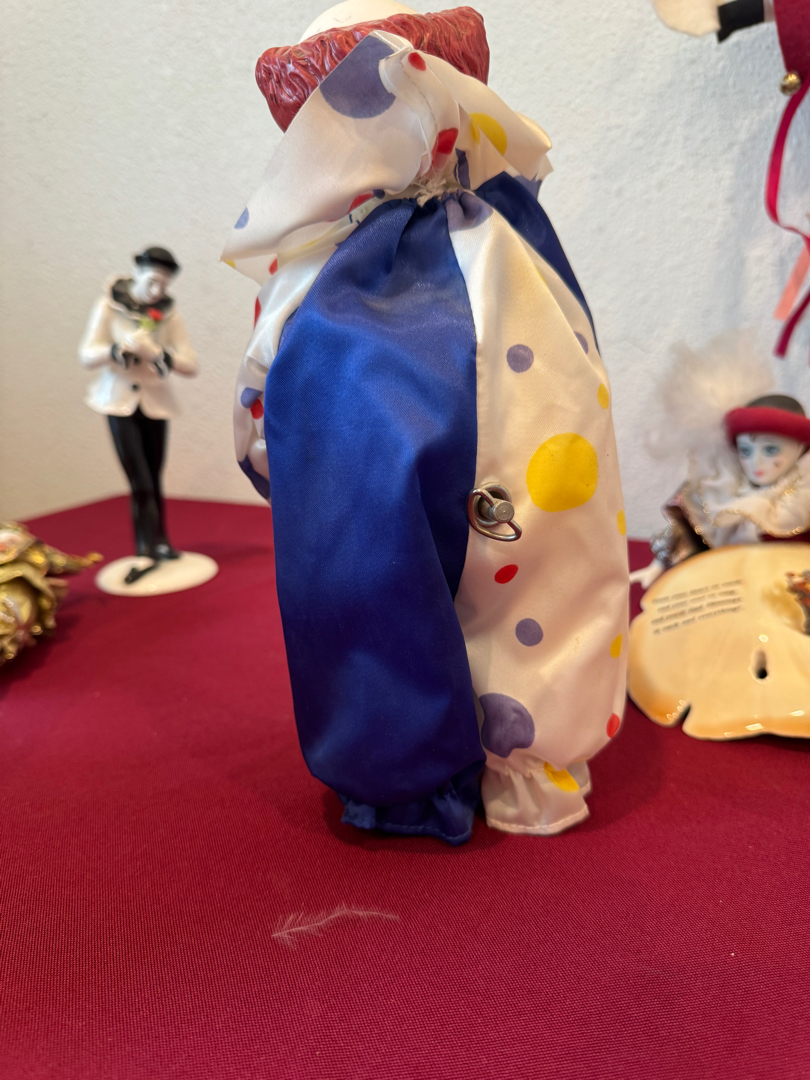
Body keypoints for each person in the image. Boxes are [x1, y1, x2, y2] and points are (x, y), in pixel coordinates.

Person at [79, 248, 198, 578]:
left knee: (155, 474)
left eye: (164, 285)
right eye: (152, 281)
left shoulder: (168, 315)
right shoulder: (108, 306)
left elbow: (191, 363)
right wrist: (117, 349)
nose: (157, 291)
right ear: (138, 273)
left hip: (155, 402)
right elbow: (87, 354)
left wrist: (156, 352)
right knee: (139, 479)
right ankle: (144, 548)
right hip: (119, 401)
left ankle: (161, 541)